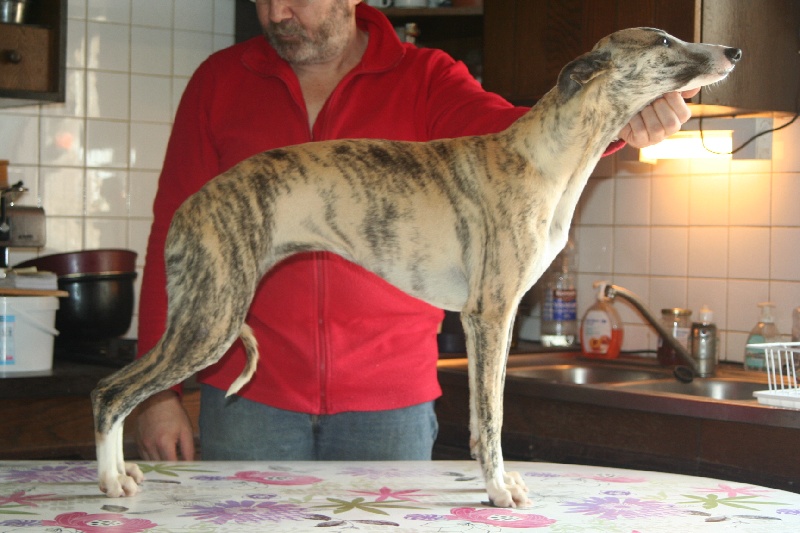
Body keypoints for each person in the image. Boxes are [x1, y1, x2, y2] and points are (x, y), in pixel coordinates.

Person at [134, 0, 698, 462]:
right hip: (247, 401)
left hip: (389, 406)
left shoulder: (426, 76)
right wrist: (157, 394)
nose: (277, 12)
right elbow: (175, 242)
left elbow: (521, 141)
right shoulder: (219, 82)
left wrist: (613, 121)